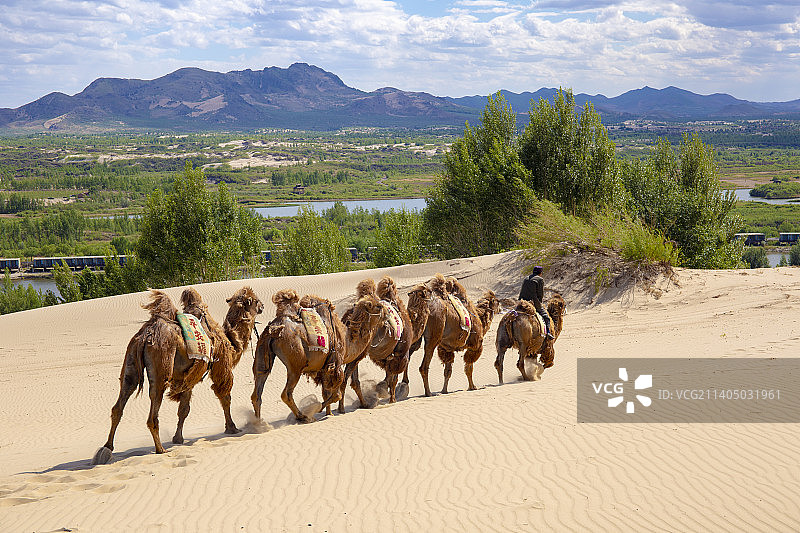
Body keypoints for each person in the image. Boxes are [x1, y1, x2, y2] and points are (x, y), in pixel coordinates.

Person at [518, 265, 554, 339]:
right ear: (540, 273)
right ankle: (548, 333)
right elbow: (540, 294)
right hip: (533, 302)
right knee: (546, 317)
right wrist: (540, 302)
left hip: (521, 301)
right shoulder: (539, 279)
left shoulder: (526, 278)